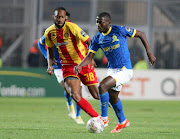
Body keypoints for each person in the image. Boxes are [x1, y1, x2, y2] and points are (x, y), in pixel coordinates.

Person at [74, 12, 156, 133]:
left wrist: (149, 53)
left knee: (102, 86)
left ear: (108, 23)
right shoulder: (97, 38)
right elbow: (89, 56)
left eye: (100, 22)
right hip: (112, 70)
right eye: (97, 21)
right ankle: (123, 121)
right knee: (113, 98)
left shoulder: (119, 30)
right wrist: (80, 65)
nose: (98, 24)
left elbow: (141, 34)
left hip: (124, 69)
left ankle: (104, 118)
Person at [44, 7, 101, 121]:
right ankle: (98, 118)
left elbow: (90, 41)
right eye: (57, 17)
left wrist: (91, 57)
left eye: (62, 17)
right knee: (74, 94)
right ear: (53, 17)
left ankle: (113, 101)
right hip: (67, 66)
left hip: (83, 63)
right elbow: (49, 51)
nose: (59, 19)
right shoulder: (49, 32)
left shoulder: (72, 27)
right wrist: (50, 65)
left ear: (65, 18)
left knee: (96, 95)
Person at [38, 35, 85, 124]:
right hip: (59, 67)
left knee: (78, 92)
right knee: (69, 90)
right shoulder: (52, 32)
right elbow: (40, 44)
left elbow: (85, 43)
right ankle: (70, 104)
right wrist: (48, 57)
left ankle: (78, 116)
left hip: (74, 65)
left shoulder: (73, 30)